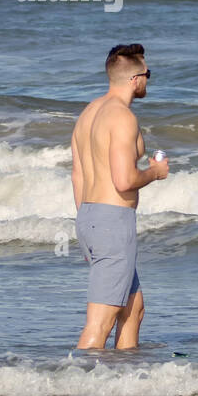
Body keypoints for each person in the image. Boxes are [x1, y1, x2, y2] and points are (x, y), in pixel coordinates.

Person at [70, 43, 168, 350]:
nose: (148, 80)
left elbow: (78, 175)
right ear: (135, 79)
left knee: (133, 309)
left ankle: (121, 387)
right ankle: (76, 385)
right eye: (148, 74)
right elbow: (124, 180)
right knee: (100, 321)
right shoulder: (122, 117)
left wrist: (88, 227)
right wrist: (156, 172)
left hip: (90, 216)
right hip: (113, 221)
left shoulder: (88, 113)